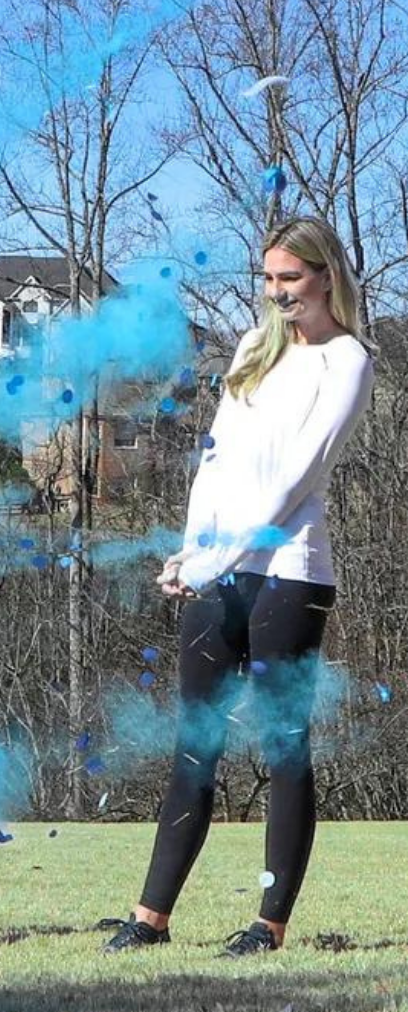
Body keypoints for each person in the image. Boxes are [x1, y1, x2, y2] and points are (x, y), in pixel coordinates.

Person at [102, 216, 374, 958]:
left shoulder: (348, 360)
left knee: (284, 747)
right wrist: (190, 554)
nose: (278, 292)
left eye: (290, 277)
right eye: (268, 279)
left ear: (325, 277)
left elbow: (299, 476)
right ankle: (149, 918)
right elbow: (216, 462)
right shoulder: (255, 348)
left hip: (289, 575)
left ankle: (268, 925)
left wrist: (225, 558)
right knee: (196, 742)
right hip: (218, 567)